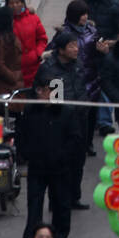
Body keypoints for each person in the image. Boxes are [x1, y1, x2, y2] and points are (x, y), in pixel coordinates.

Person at [15, 63, 82, 238]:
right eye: (41, 90)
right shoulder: (30, 111)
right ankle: (31, 235)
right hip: (37, 165)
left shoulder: (66, 112)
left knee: (61, 202)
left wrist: (64, 156)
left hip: (60, 166)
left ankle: (60, 234)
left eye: (48, 90)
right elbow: (21, 134)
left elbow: (75, 138)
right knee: (34, 202)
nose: (43, 94)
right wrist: (25, 153)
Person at [44, 30, 90, 211]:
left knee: (78, 161)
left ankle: (74, 197)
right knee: (60, 163)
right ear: (61, 50)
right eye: (71, 46)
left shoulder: (78, 65)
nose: (76, 49)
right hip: (60, 123)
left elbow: (82, 89)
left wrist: (84, 107)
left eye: (76, 45)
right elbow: (54, 101)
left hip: (79, 120)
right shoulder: (51, 69)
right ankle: (56, 198)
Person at [53, 0, 102, 157]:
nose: (85, 17)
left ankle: (87, 143)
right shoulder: (64, 33)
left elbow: (97, 53)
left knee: (91, 115)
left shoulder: (92, 31)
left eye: (86, 13)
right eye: (82, 14)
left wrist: (103, 52)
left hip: (91, 78)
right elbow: (52, 53)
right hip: (71, 80)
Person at [6, 0, 48, 86]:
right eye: (11, 3)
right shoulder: (6, 22)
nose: (15, 5)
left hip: (33, 66)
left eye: (17, 2)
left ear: (23, 3)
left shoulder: (33, 18)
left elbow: (42, 38)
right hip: (14, 69)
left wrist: (38, 53)